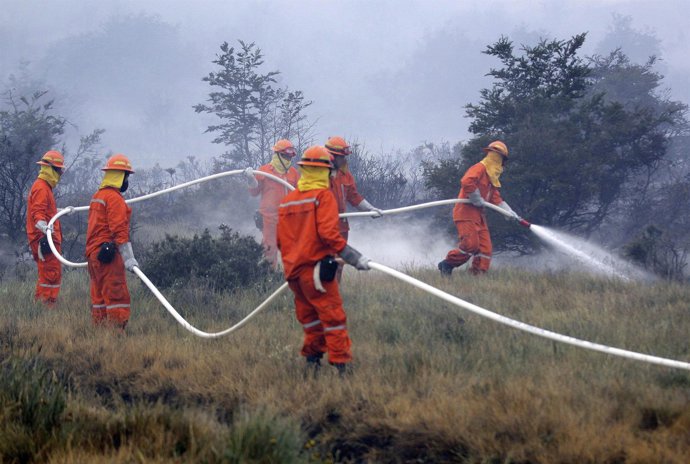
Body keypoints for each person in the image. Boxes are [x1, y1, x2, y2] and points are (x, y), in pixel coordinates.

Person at [277, 145, 371, 375]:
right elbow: (329, 234)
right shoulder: (322, 197)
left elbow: (281, 242)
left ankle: (312, 364)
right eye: (329, 172)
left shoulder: (288, 202)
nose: (332, 176)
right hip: (317, 274)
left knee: (310, 320)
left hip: (294, 276)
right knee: (333, 318)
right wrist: (354, 258)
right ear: (323, 172)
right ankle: (342, 368)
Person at [438, 140, 520, 276]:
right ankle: (447, 264)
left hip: (478, 216)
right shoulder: (480, 168)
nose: (497, 160)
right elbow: (467, 181)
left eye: (500, 157)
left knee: (485, 250)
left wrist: (509, 213)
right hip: (465, 213)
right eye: (496, 155)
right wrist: (475, 197)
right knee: (470, 245)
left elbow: (495, 198)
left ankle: (476, 276)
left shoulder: (491, 178)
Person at [85, 154, 138, 330]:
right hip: (108, 255)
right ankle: (116, 334)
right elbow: (118, 230)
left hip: (94, 255)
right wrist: (128, 257)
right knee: (116, 295)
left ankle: (99, 334)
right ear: (119, 176)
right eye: (126, 176)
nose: (127, 181)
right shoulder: (114, 198)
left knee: (99, 296)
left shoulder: (97, 196)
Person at [325, 136, 383, 280]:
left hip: (342, 226)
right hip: (324, 225)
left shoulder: (345, 175)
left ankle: (335, 292)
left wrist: (370, 209)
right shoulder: (319, 175)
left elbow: (354, 197)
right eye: (341, 157)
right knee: (325, 261)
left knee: (339, 262)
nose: (344, 160)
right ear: (332, 157)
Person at [243, 139, 300, 268]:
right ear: (277, 155)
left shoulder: (294, 173)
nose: (288, 159)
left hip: (289, 219)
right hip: (269, 218)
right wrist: (251, 178)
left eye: (290, 156)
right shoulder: (264, 171)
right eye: (285, 156)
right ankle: (269, 279)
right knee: (269, 249)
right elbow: (254, 191)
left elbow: (300, 195)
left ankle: (290, 280)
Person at [26, 150, 65, 307]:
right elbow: (38, 213)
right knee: (50, 274)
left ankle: (43, 308)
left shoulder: (43, 187)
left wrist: (61, 212)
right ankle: (45, 308)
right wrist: (45, 232)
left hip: (46, 239)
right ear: (51, 169)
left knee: (48, 274)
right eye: (59, 169)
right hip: (45, 240)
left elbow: (45, 211)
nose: (61, 173)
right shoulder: (42, 187)